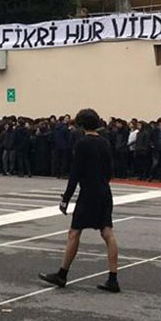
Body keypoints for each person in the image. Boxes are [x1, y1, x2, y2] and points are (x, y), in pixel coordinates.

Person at [38, 108, 120, 293]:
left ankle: (62, 274)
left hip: (88, 192)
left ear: (81, 125)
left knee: (74, 233)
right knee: (108, 232)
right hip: (104, 191)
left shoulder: (82, 143)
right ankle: (113, 277)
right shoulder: (105, 143)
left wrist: (65, 199)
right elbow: (110, 172)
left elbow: (75, 174)